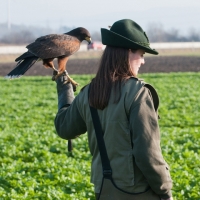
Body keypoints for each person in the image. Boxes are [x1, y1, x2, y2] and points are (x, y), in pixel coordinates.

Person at [54, 19, 173, 200]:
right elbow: (147, 154)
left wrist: (64, 88)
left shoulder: (89, 93)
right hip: (140, 193)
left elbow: (64, 128)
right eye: (141, 54)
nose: (142, 61)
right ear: (127, 52)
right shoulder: (138, 93)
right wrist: (165, 191)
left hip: (104, 191)